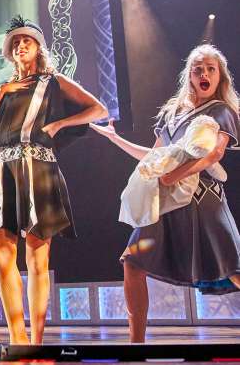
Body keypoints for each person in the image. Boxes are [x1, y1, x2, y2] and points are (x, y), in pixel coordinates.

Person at [0, 16, 107, 345]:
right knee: (2, 254)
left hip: (38, 167)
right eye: (15, 43)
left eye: (26, 41)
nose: (20, 46)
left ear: (37, 48)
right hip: (4, 170)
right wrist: (2, 91)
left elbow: (97, 108)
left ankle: (37, 341)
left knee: (37, 257)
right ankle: (17, 339)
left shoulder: (52, 82)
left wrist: (60, 126)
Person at [91, 44, 240, 343]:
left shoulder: (221, 111)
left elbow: (214, 154)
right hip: (165, 202)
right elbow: (153, 157)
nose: (204, 73)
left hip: (203, 200)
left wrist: (176, 175)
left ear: (219, 76)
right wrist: (115, 138)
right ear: (190, 75)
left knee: (233, 267)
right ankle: (136, 345)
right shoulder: (172, 113)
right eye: (198, 68)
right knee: (132, 262)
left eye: (210, 68)